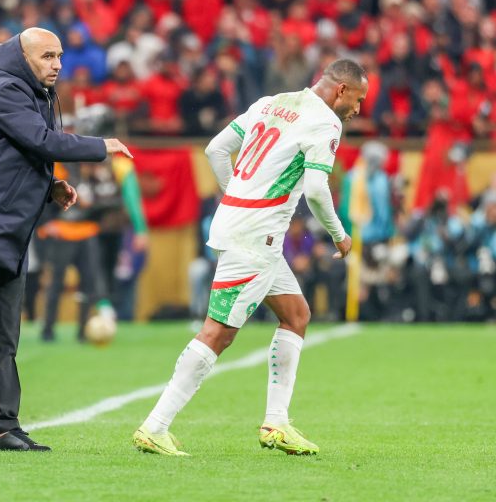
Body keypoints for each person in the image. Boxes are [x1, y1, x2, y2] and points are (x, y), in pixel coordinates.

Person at [133, 59, 366, 456]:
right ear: (341, 90)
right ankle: (155, 426)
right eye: (358, 99)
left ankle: (276, 423)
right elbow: (315, 189)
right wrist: (339, 234)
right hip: (255, 238)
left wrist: (235, 197)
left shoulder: (271, 102)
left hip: (244, 229)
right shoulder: (326, 122)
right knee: (218, 332)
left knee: (296, 315)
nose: (358, 109)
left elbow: (215, 149)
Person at [0, 28, 132, 454]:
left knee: (4, 332)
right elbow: (41, 140)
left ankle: (4, 428)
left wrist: (51, 186)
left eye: (60, 56)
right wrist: (100, 145)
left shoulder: (36, 93)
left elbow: (12, 156)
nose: (57, 64)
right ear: (23, 56)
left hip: (9, 227)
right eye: (47, 56)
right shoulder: (4, 88)